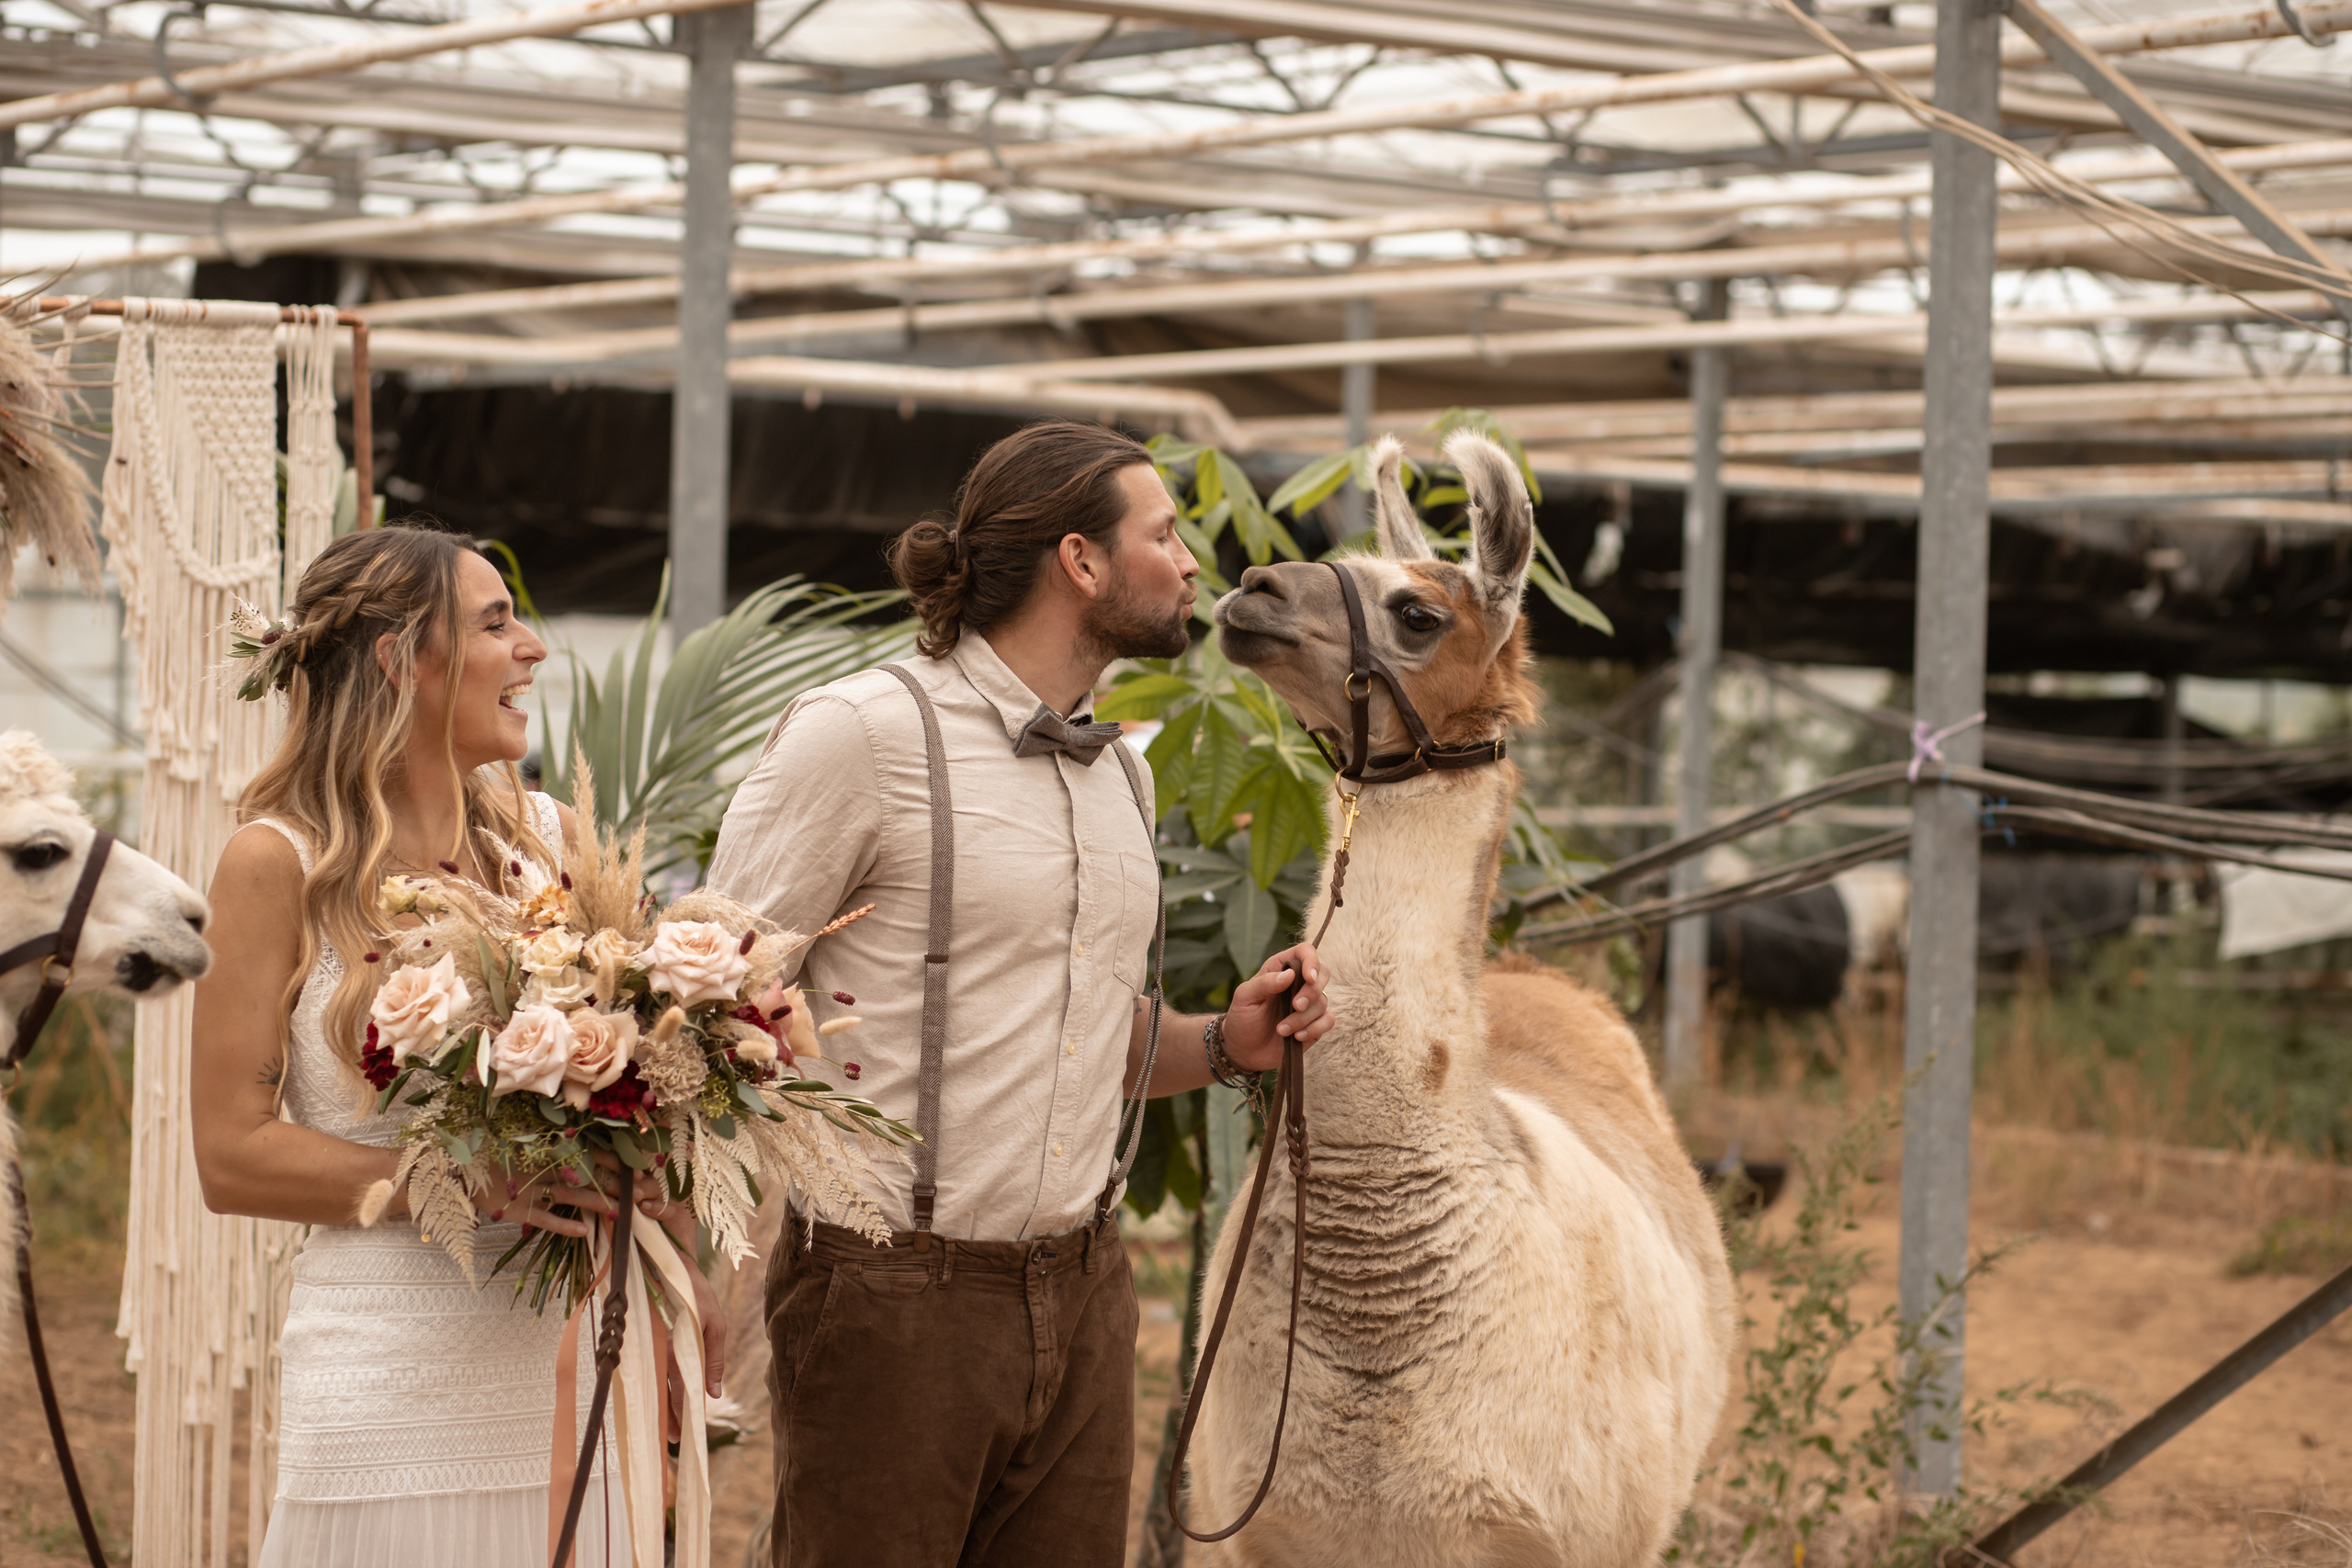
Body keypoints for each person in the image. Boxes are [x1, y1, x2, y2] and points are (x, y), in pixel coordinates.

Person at [707, 420, 1336, 1568]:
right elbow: (706, 994)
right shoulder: (863, 734)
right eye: (1164, 533)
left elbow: (1095, 1039)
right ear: (1081, 562)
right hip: (892, 1291)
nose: (1192, 561)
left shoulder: (1124, 776)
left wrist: (1225, 1041)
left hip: (1088, 1292)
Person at [191, 524, 724, 1565]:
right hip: (390, 1382)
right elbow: (231, 1154)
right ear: (402, 660)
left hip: (577, 1370)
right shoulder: (275, 864)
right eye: (495, 623)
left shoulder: (558, 843)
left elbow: (643, 1085)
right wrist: (457, 1180)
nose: (533, 647)